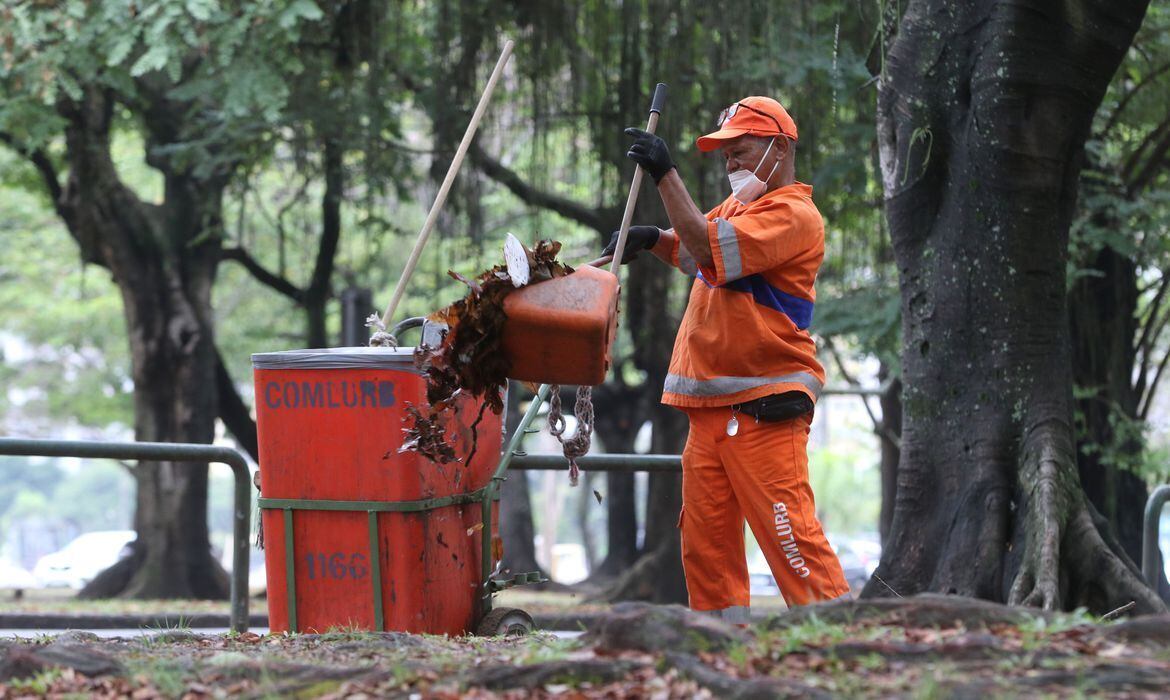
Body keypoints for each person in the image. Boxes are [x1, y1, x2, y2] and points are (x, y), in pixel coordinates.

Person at [602, 96, 850, 620]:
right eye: (726, 154)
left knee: (791, 539)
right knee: (706, 550)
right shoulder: (739, 209)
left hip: (764, 408)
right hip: (711, 414)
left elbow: (711, 249)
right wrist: (655, 239)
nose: (730, 163)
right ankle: (717, 648)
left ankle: (839, 644)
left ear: (778, 148)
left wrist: (665, 175)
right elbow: (693, 247)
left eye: (740, 151)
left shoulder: (794, 215)